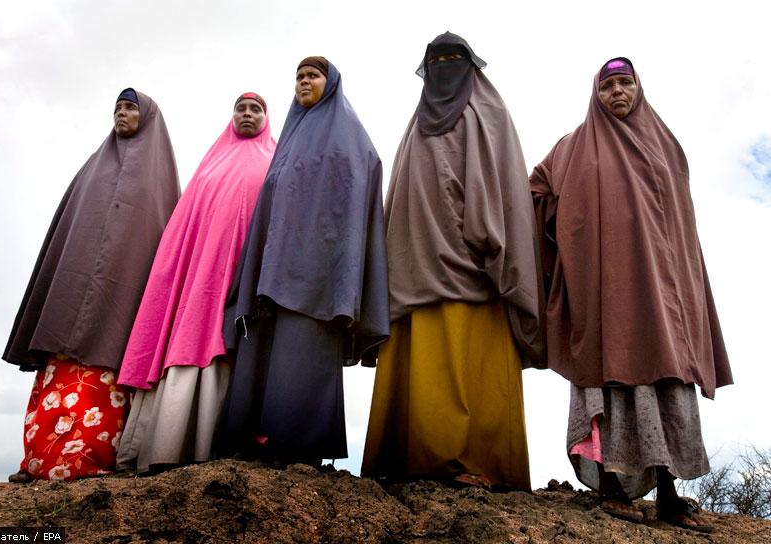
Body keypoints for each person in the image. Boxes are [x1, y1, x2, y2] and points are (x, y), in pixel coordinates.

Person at [529, 57, 732, 531]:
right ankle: (612, 488)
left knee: (665, 378)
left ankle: (669, 495)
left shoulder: (666, 147)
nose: (617, 92)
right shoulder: (572, 148)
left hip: (661, 294)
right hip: (601, 290)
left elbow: (680, 225)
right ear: (595, 93)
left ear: (638, 88)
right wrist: (568, 227)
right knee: (607, 380)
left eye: (625, 83)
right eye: (608, 86)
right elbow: (534, 192)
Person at [361, 32, 542, 491]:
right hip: (416, 268)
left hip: (479, 270)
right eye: (436, 61)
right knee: (424, 363)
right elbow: (401, 197)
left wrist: (490, 245)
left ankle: (480, 460)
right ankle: (412, 456)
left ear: (471, 66)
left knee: (472, 364)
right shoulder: (416, 126)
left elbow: (504, 190)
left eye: (454, 59)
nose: (444, 68)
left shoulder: (491, 116)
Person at [217, 57, 389, 465]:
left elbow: (354, 199)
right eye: (298, 77)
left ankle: (298, 445)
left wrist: (332, 267)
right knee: (264, 348)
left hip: (319, 276)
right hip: (275, 266)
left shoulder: (350, 137)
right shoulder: (291, 137)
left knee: (303, 350)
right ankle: (256, 438)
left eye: (313, 76)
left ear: (331, 84)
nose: (304, 82)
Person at [3, 88, 180, 482]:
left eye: (130, 108)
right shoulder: (92, 171)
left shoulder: (161, 184)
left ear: (148, 118)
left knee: (105, 375)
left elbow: (162, 244)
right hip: (73, 295)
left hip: (123, 301)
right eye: (118, 107)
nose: (122, 113)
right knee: (61, 371)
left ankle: (91, 461)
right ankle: (38, 461)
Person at [116, 92, 276, 473]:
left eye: (255, 109)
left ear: (266, 118)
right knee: (194, 337)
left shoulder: (275, 162)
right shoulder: (210, 166)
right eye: (240, 109)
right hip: (200, 279)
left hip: (246, 280)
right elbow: (185, 226)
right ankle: (169, 444)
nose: (247, 114)